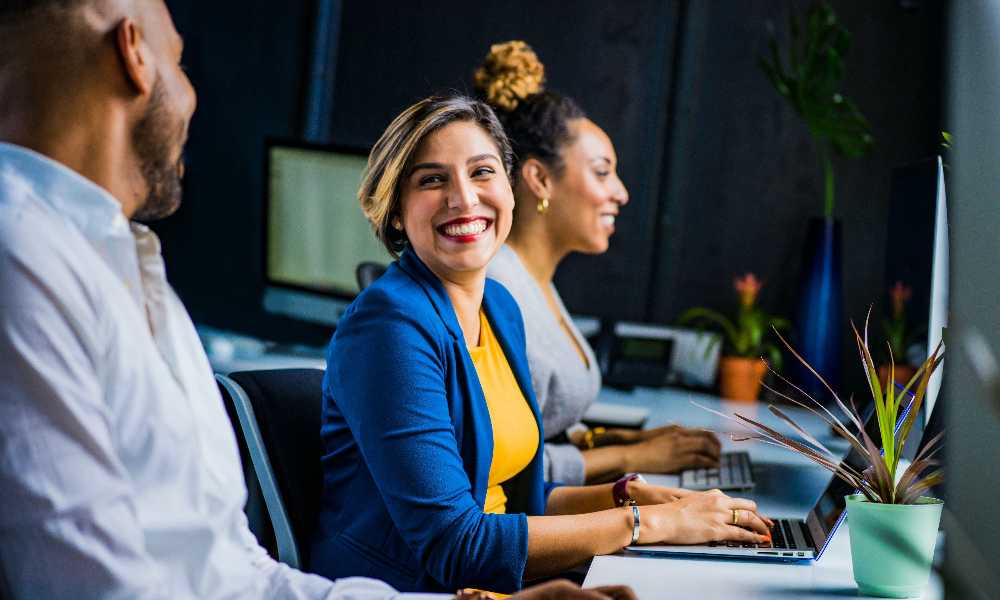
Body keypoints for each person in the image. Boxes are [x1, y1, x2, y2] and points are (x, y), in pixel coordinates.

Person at [0, 2, 631, 599]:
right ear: (134, 54)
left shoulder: (124, 262)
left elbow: (239, 574)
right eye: (181, 62)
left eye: (483, 172)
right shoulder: (24, 261)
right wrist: (636, 523)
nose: (192, 98)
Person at [310, 94, 772, 595]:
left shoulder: (500, 308)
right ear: (397, 212)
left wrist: (628, 497)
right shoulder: (389, 327)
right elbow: (454, 544)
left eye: (482, 172)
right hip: (410, 589)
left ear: (510, 189)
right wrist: (648, 524)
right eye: (432, 179)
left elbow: (515, 500)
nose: (463, 198)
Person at [477, 41, 721, 486]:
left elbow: (542, 428)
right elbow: (501, 469)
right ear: (539, 178)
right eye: (602, 172)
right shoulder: (498, 290)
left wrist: (621, 441)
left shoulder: (535, 282)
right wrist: (633, 457)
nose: (621, 193)